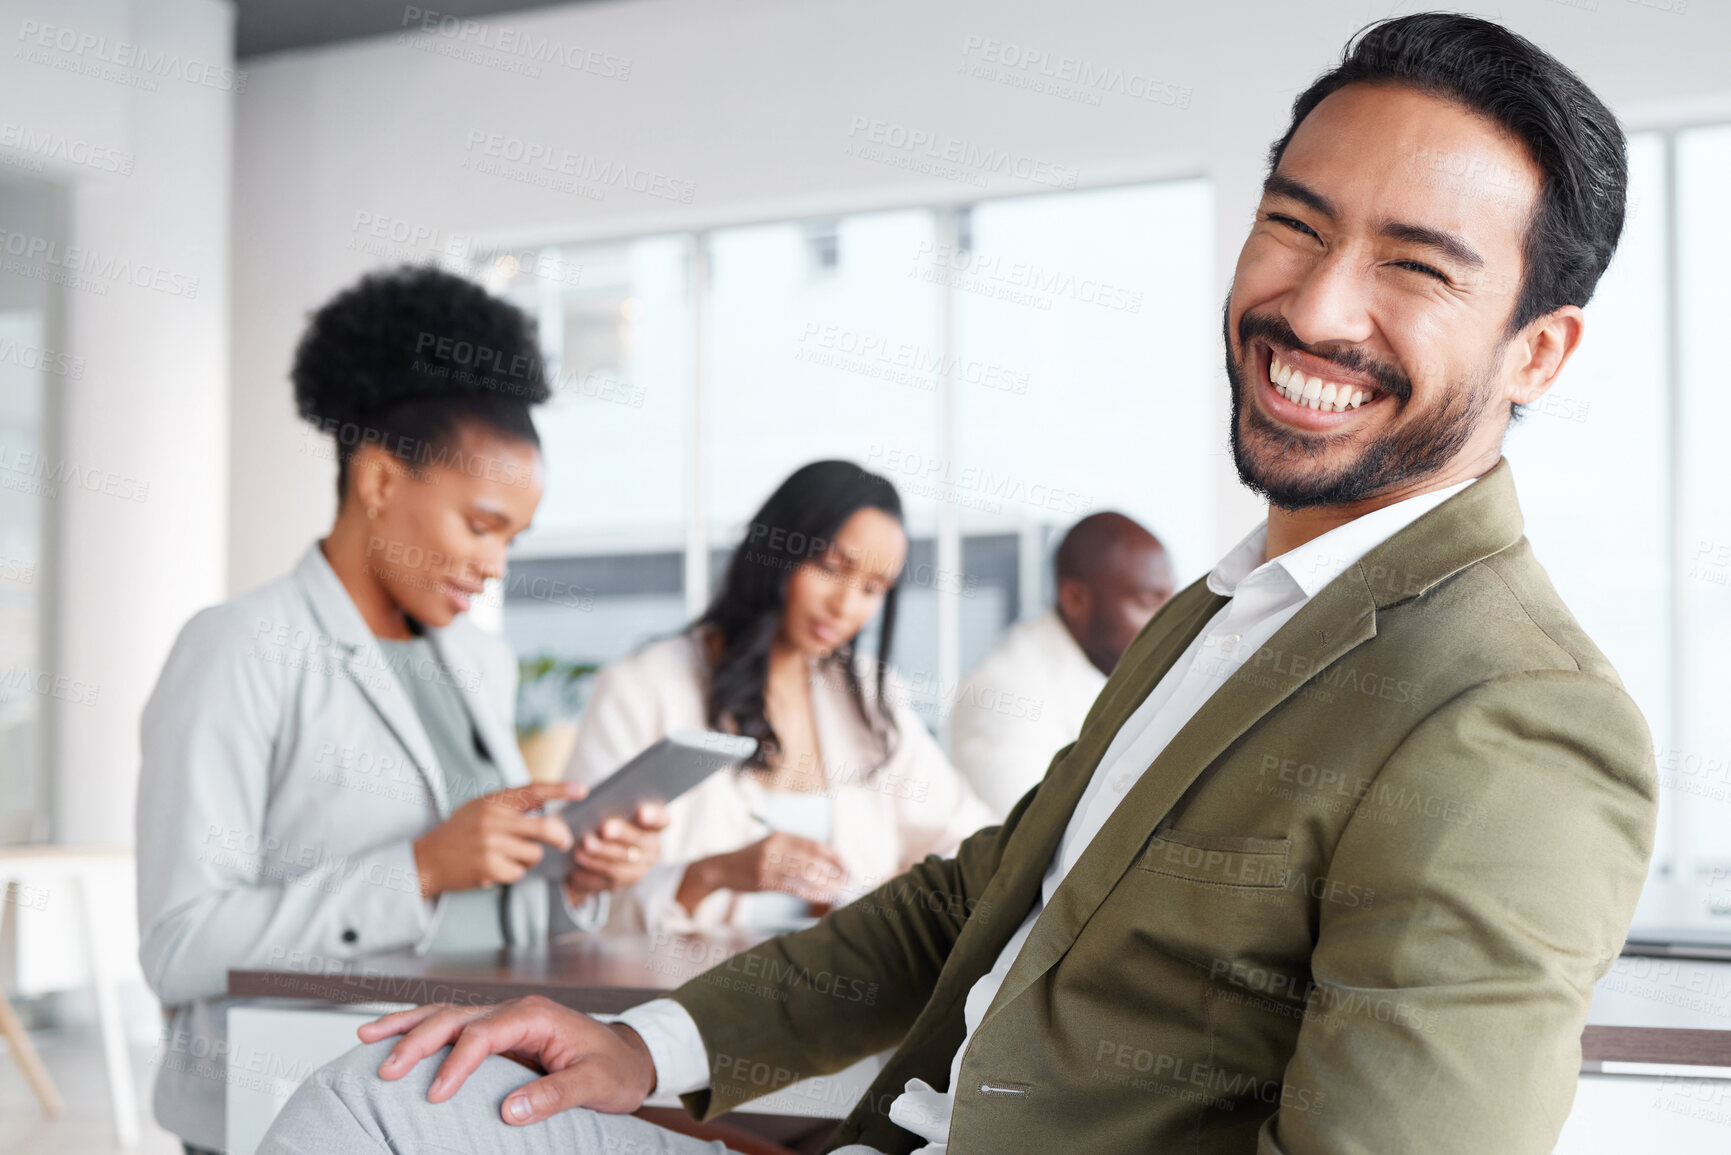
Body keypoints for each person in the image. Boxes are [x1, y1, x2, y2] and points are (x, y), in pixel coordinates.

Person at [259, 14, 1658, 1155]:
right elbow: (981, 893)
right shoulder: (1227, 608)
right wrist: (649, 1045)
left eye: (1413, 266)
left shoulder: (1509, 709)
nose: (1313, 304)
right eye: (1293, 224)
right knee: (384, 1095)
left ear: (1535, 352)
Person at [134, 266, 668, 1154]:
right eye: (480, 524)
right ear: (381, 478)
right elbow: (178, 942)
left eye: (513, 538)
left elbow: (486, 920)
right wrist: (419, 867)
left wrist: (571, 882)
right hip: (287, 1100)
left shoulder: (476, 660)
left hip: (454, 1099)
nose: (494, 565)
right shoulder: (237, 646)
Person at [566, 459, 994, 934]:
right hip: (676, 996)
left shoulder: (870, 701)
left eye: (873, 588)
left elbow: (972, 841)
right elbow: (576, 898)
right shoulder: (644, 689)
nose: (846, 605)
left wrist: (902, 894)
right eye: (831, 568)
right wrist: (713, 874)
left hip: (840, 996)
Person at [949, 512, 1173, 817]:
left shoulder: (1110, 668)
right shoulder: (1004, 692)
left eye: (1170, 602)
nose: (1169, 621)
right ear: (1075, 600)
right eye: (1148, 603)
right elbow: (1032, 841)